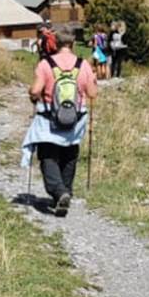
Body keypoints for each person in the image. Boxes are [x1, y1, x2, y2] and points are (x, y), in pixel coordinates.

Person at [21, 26, 98, 216]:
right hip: (75, 120)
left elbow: (35, 90)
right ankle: (65, 192)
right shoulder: (83, 65)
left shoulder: (46, 64)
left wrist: (32, 95)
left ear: (55, 42)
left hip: (49, 120)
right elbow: (92, 94)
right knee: (69, 156)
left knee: (48, 157)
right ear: (72, 43)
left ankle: (59, 192)